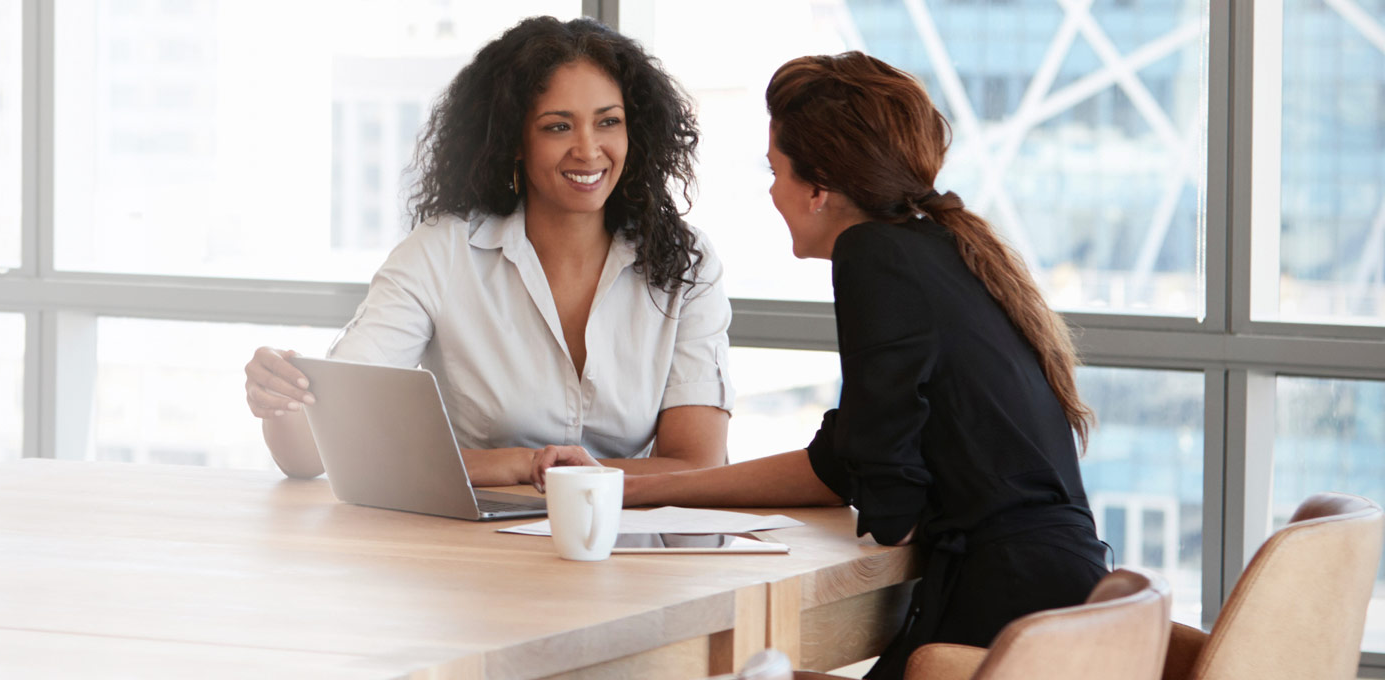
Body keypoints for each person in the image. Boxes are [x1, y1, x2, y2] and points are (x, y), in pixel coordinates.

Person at [544, 52, 1107, 680]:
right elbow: (842, 464)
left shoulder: (874, 256)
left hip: (1005, 617)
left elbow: (890, 507)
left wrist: (878, 474)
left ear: (819, 190)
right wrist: (628, 485)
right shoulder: (936, 248)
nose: (771, 190)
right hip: (1056, 600)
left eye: (775, 170)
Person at [242, 16, 734, 489]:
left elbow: (697, 463)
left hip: (626, 549)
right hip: (469, 553)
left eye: (608, 122)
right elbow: (312, 450)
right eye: (558, 127)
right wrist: (281, 394)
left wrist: (561, 475)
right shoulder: (442, 253)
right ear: (514, 139)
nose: (588, 149)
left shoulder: (684, 264)